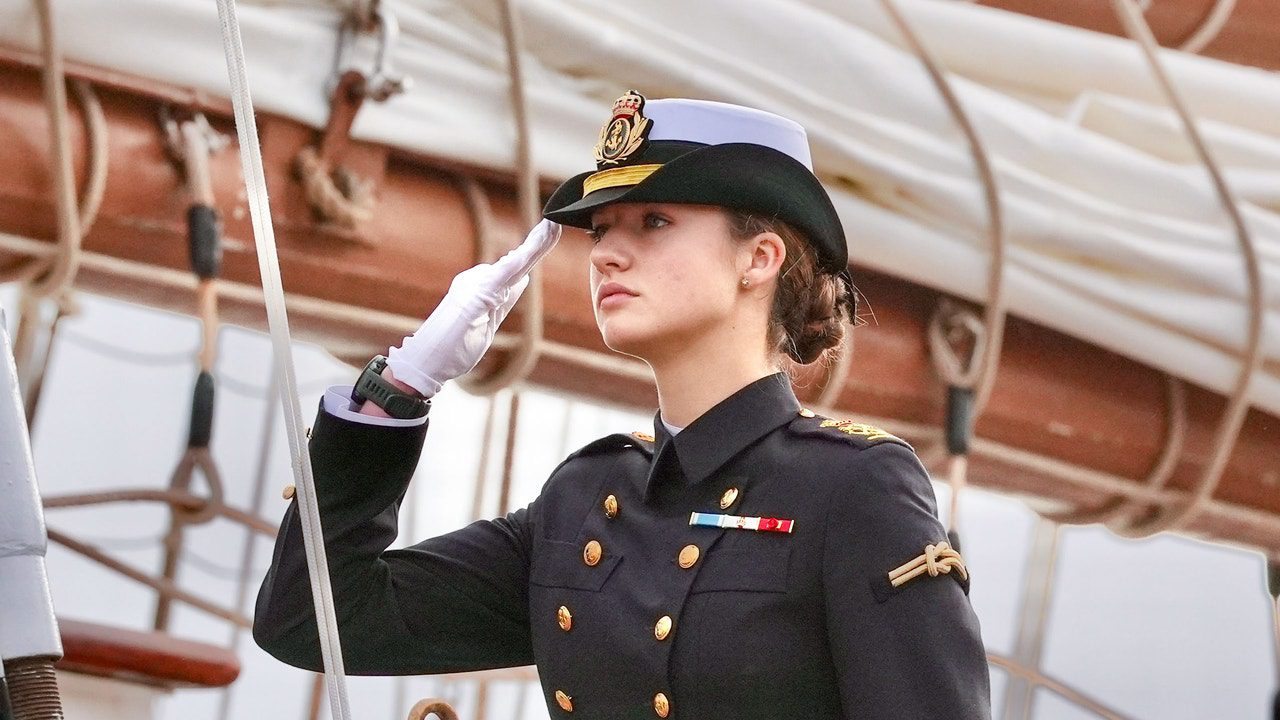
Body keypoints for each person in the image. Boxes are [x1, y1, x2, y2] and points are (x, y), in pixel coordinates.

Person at [254, 90, 992, 719]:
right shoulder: (584, 499)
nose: (606, 252)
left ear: (758, 259)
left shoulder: (854, 490)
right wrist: (402, 385)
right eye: (603, 230)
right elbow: (313, 618)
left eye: (654, 223)